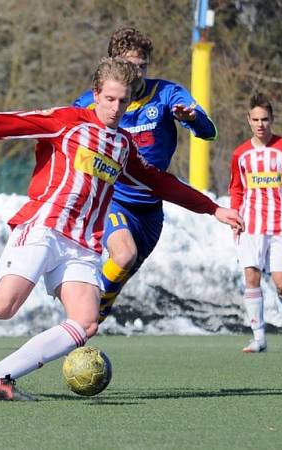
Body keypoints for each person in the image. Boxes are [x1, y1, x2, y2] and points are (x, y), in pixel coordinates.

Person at [0, 57, 243, 400]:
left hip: (81, 245)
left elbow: (157, 182)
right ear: (95, 94)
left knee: (86, 322)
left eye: (123, 100)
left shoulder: (122, 145)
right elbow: (5, 123)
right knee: (2, 307)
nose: (115, 107)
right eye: (109, 98)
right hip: (45, 227)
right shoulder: (68, 122)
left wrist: (213, 208)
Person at [74, 27, 217, 324]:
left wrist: (192, 118)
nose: (137, 74)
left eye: (142, 67)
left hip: (150, 211)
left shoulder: (165, 94)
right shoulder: (97, 100)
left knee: (115, 281)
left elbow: (209, 131)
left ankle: (90, 317)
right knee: (123, 254)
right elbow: (65, 132)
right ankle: (81, 312)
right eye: (129, 67)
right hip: (112, 199)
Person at [228, 93, 282, 353]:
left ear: (272, 119)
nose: (260, 124)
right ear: (248, 120)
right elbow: (236, 189)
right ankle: (259, 337)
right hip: (251, 224)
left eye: (265, 119)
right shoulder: (240, 154)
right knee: (251, 276)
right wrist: (234, 216)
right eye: (255, 119)